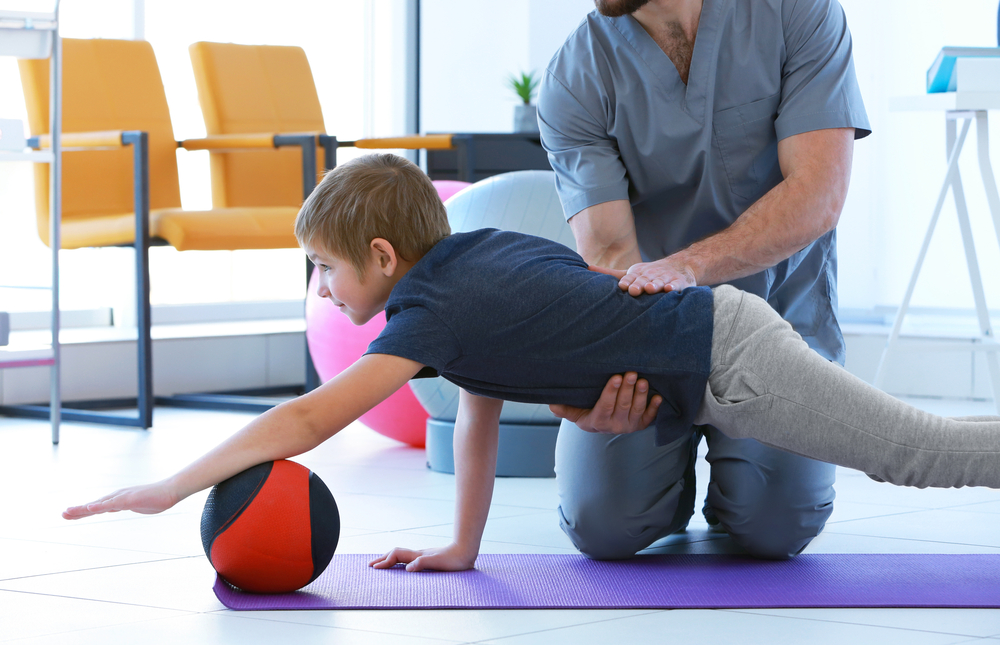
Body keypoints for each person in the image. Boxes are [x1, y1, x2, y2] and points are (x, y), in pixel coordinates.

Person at [64, 154, 1000, 574]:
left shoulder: (435, 307)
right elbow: (476, 410)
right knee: (916, 450)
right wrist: (461, 548)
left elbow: (310, 417)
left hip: (732, 360)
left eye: (325, 267)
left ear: (384, 257)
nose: (320, 288)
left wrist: (171, 486)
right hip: (714, 355)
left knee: (917, 453)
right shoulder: (467, 266)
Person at [538, 0, 872, 560]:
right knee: (601, 526)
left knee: (775, 529)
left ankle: (735, 483)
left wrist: (687, 266)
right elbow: (609, 252)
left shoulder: (793, 2)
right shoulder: (576, 75)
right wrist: (590, 368)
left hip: (778, 329)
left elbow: (818, 194)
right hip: (652, 337)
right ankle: (664, 485)